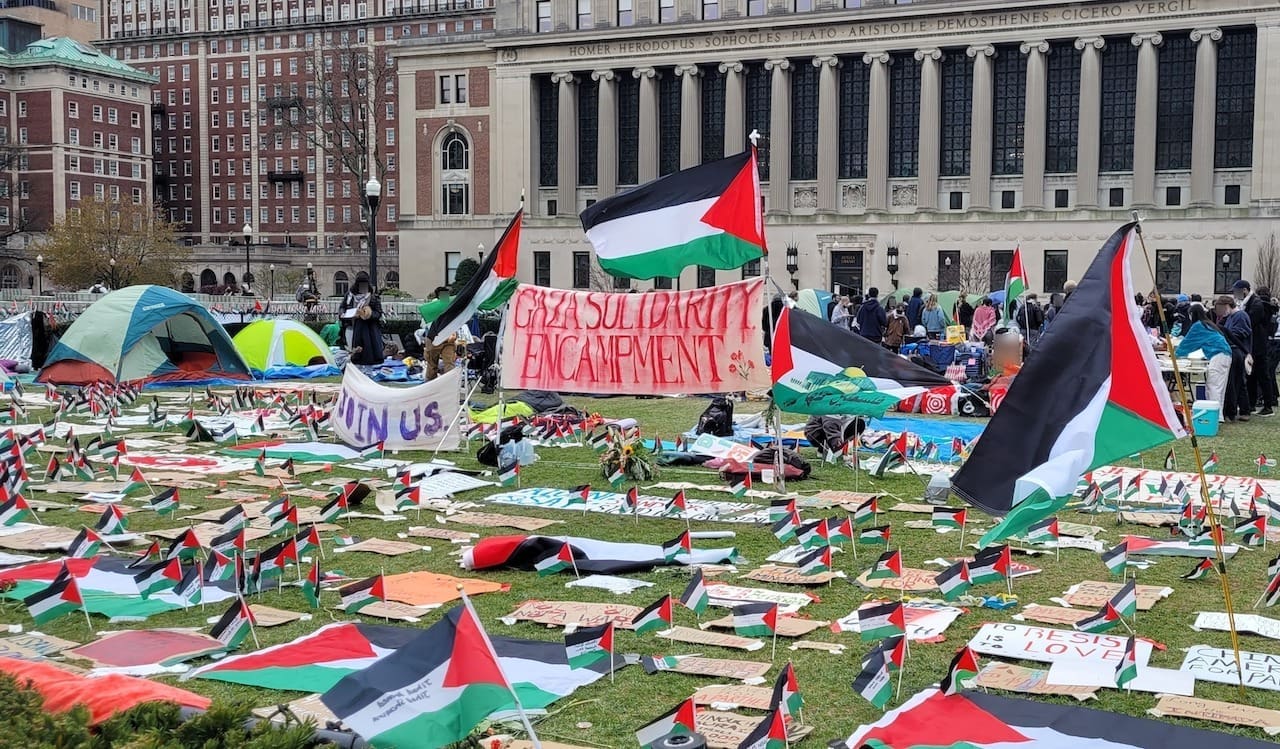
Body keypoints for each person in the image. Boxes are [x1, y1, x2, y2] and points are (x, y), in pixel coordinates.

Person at [1176, 303, 1232, 423]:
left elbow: (1187, 343)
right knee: (1220, 387)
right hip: (1225, 355)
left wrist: (1175, 353)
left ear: (1192, 314)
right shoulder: (1208, 324)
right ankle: (1219, 415)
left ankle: (1215, 416)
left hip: (1218, 355)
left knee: (1213, 387)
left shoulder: (1198, 326)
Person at [1237, 279, 1278, 415]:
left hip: (1259, 345)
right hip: (1254, 343)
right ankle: (1252, 403)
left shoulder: (1256, 304)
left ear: (1244, 290)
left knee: (1262, 375)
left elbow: (1249, 322)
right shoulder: (1250, 302)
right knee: (1252, 375)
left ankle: (1268, 405)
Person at [1215, 294, 1252, 422]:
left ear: (1226, 306)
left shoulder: (1240, 316)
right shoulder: (1231, 317)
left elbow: (1242, 332)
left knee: (1237, 383)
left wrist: (1225, 333)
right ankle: (1243, 410)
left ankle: (1239, 411)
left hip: (1238, 352)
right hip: (1236, 350)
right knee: (1239, 383)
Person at [339, 276, 383, 366]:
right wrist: (343, 314)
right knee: (352, 347)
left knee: (367, 349)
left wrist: (368, 314)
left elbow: (378, 313)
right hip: (350, 325)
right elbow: (342, 307)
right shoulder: (349, 296)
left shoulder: (373, 297)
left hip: (369, 329)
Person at [418, 285, 459, 381]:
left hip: (447, 338)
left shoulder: (451, 306)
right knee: (433, 364)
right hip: (434, 338)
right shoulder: (432, 308)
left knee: (447, 363)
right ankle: (431, 385)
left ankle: (448, 383)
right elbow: (425, 324)